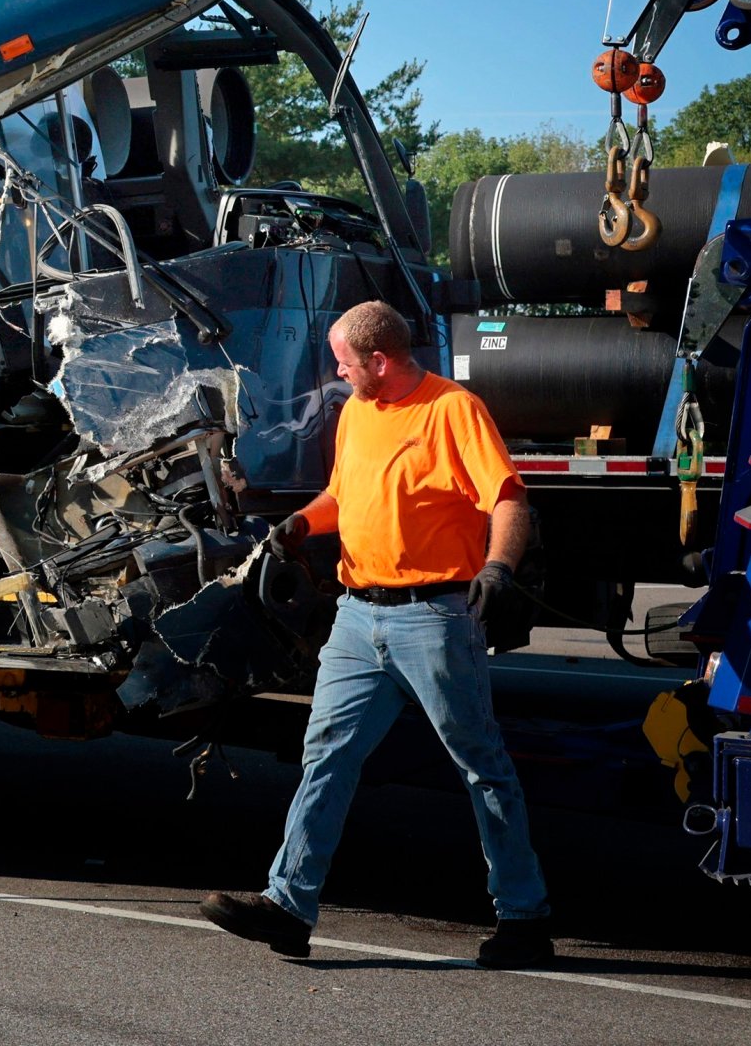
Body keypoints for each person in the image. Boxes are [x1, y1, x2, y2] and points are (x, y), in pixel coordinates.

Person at [200, 300, 553, 969]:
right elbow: (345, 494)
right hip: (358, 618)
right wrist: (302, 524)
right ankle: (288, 908)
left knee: (481, 769)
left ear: (380, 361)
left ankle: (525, 919)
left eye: (344, 361)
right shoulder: (358, 413)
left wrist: (499, 567)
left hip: (435, 618)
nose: (337, 372)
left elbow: (507, 497)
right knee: (326, 756)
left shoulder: (452, 410)